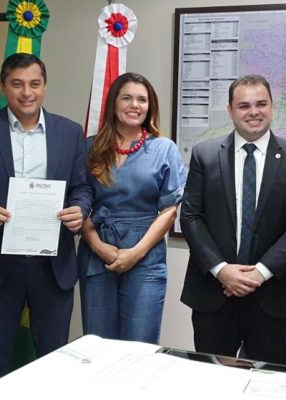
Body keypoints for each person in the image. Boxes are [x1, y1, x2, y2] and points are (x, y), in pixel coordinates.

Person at [0, 53, 91, 389]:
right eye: (17, 84)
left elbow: (82, 188)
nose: (26, 92)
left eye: (34, 84)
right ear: (3, 87)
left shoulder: (70, 132)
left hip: (52, 265)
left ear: (44, 87)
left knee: (53, 365)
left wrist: (79, 209)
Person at [179, 75, 286, 364]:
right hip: (214, 294)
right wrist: (221, 270)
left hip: (272, 296)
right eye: (244, 106)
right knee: (210, 379)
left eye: (261, 104)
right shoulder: (205, 155)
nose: (254, 112)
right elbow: (191, 217)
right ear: (230, 110)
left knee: (267, 382)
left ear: (272, 106)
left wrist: (259, 273)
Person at [77, 73, 186, 344]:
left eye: (142, 100)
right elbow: (80, 201)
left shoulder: (164, 148)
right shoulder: (90, 147)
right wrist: (97, 246)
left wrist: (135, 253)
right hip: (97, 252)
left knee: (140, 344)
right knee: (97, 344)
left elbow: (169, 211)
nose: (134, 105)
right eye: (127, 98)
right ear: (114, 103)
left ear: (150, 106)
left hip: (145, 255)